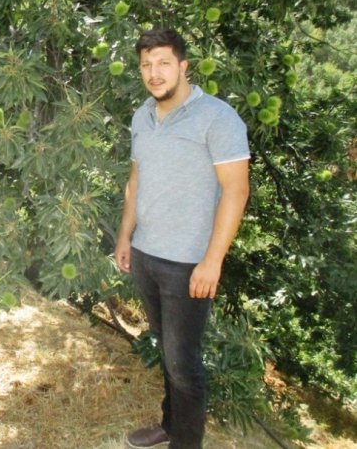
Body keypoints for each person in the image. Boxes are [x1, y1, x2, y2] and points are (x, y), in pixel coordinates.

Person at [114, 29, 250, 449]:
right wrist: (124, 236)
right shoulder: (142, 116)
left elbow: (236, 191)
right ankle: (170, 426)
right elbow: (136, 180)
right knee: (166, 350)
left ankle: (185, 443)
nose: (154, 73)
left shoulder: (218, 118)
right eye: (146, 65)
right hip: (145, 255)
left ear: (183, 66)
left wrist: (213, 261)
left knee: (183, 362)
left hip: (188, 264)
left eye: (163, 63)